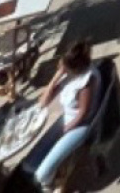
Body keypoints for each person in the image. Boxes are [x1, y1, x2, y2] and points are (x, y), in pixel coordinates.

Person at [24, 40, 102, 186]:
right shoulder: (70, 75)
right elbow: (43, 102)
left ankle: (58, 176)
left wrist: (66, 130)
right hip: (66, 120)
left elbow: (83, 113)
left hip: (80, 126)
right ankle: (57, 166)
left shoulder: (86, 81)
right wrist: (56, 77)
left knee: (41, 176)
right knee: (28, 165)